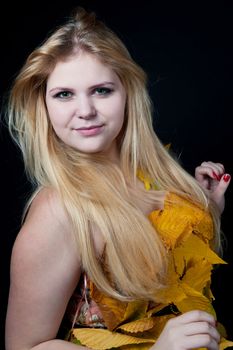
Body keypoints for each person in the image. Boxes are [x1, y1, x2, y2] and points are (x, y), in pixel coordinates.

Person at [4, 6, 233, 350]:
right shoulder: (58, 213)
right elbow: (24, 347)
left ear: (127, 93)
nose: (85, 110)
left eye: (101, 90)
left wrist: (203, 210)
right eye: (64, 94)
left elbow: (172, 287)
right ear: (44, 105)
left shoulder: (153, 176)